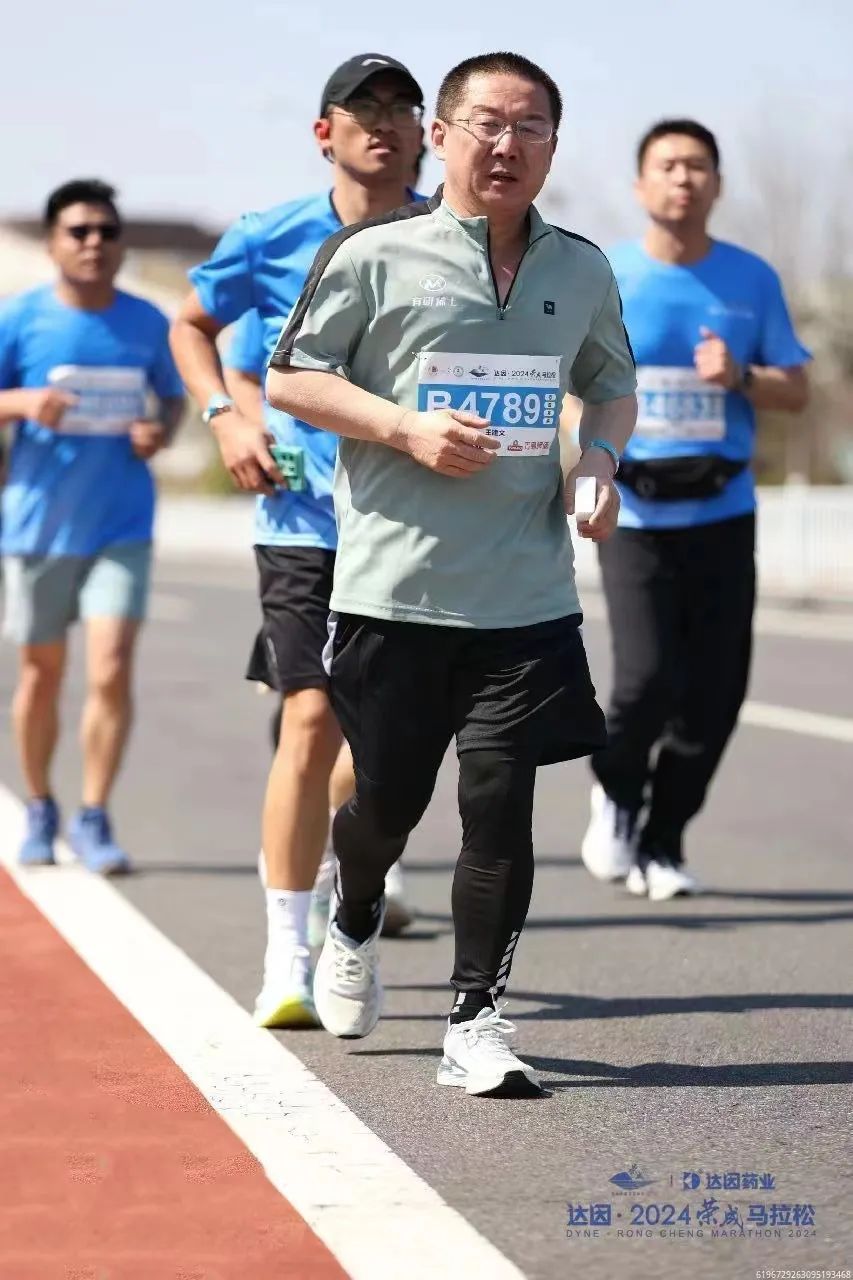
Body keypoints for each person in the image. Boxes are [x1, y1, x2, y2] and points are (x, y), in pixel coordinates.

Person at [266, 51, 637, 1097]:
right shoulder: (373, 253)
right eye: (486, 123)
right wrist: (404, 428)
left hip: (525, 596)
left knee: (498, 803)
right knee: (385, 802)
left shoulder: (581, 268)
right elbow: (290, 378)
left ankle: (475, 1017)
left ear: (553, 145)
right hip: (395, 592)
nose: (507, 145)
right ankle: (352, 911)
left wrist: (598, 462)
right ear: (441, 136)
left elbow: (611, 385)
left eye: (530, 127)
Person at [170, 54, 426, 1028]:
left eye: (401, 107)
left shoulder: (452, 238)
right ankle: (287, 952)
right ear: (325, 132)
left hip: (410, 524)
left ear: (425, 132)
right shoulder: (269, 236)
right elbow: (192, 327)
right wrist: (226, 420)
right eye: (364, 108)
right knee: (310, 718)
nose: (384, 122)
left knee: (385, 742)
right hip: (302, 522)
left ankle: (326, 873)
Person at [580, 119, 810, 901]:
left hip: (721, 510)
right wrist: (583, 466)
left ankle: (663, 842)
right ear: (640, 184)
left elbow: (795, 389)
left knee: (714, 694)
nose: (683, 178)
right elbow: (566, 385)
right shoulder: (604, 275)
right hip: (634, 512)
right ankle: (616, 795)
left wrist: (740, 375)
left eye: (697, 166)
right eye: (667, 165)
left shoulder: (750, 278)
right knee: (645, 681)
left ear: (716, 185)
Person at [0, 179, 185, 873]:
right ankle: (40, 805)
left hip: (122, 521)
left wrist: (156, 433)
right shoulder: (19, 318)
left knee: (110, 667)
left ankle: (93, 814)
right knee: (41, 672)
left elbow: (171, 399)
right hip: (36, 525)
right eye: (78, 231)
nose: (94, 243)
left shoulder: (146, 321)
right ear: (53, 243)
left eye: (107, 231)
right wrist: (23, 402)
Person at [223, 310, 414, 938]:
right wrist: (242, 423)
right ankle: (308, 870)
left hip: (391, 525)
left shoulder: (422, 266)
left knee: (380, 716)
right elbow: (242, 369)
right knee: (311, 714)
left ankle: (345, 839)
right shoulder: (279, 265)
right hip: (300, 530)